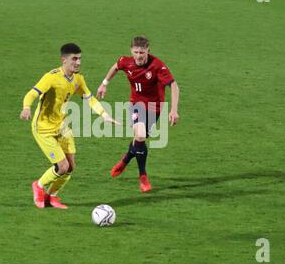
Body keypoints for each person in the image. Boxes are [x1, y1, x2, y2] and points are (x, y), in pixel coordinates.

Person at [20, 43, 119, 209]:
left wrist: (104, 114)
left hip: (62, 126)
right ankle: (38, 185)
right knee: (62, 166)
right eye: (74, 59)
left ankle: (51, 196)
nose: (78, 62)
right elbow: (32, 94)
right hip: (44, 128)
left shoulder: (78, 79)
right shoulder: (51, 77)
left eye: (80, 58)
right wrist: (26, 107)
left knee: (71, 166)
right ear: (63, 60)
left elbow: (90, 99)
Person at [96, 36, 180, 193]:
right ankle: (143, 176)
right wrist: (104, 84)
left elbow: (174, 86)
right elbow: (115, 67)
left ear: (148, 50)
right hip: (136, 105)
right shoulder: (125, 61)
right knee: (140, 136)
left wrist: (174, 110)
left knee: (138, 140)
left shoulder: (158, 66)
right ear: (131, 51)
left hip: (154, 108)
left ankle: (126, 159)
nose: (139, 56)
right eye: (136, 52)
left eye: (142, 52)